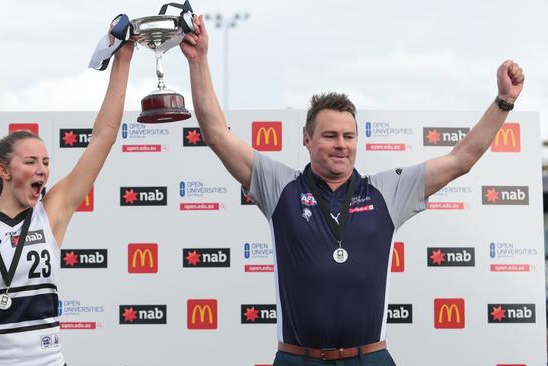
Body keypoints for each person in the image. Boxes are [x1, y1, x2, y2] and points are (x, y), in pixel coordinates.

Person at [180, 15, 524, 365]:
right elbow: (216, 134)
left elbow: (460, 159)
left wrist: (503, 102)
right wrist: (199, 60)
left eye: (348, 136)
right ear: (307, 139)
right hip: (299, 358)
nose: (341, 145)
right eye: (330, 136)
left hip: (369, 358)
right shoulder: (279, 185)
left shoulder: (387, 191)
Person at [0, 34, 135, 366]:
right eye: (31, 162)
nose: (42, 170)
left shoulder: (51, 214)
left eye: (46, 163)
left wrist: (123, 60)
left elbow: (103, 137)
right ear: (4, 170)